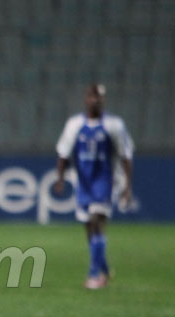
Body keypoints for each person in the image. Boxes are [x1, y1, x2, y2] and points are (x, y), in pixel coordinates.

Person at [55, 83, 134, 289]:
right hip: (83, 182)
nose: (95, 100)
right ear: (85, 99)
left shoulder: (114, 125)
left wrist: (127, 185)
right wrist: (60, 178)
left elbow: (125, 155)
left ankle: (93, 275)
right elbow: (63, 152)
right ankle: (105, 269)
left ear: (103, 100)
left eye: (98, 97)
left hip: (105, 181)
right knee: (89, 227)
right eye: (92, 96)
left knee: (96, 220)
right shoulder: (74, 124)